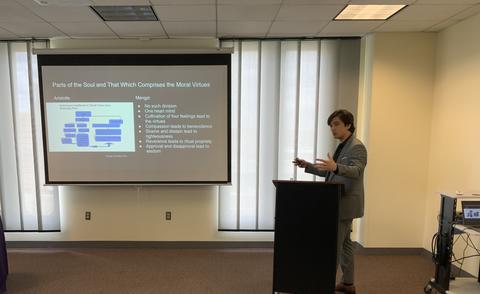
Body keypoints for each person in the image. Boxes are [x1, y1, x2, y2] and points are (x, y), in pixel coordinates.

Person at [293, 109, 367, 294]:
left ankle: (323, 285)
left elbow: (356, 171)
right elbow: (331, 172)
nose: (332, 129)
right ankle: (348, 284)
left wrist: (335, 166)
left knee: (333, 247)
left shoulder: (357, 146)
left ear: (348, 124)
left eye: (336, 124)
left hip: (345, 204)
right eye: (331, 126)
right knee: (345, 245)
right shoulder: (343, 145)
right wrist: (308, 166)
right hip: (338, 202)